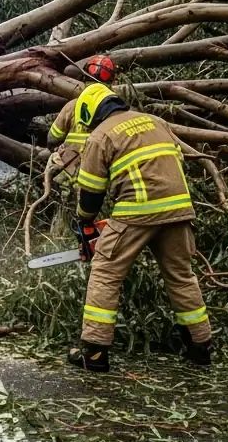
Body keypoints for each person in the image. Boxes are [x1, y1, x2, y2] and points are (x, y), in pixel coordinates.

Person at [69, 88, 210, 372]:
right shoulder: (156, 122)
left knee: (105, 274)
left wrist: (84, 221)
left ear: (89, 113)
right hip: (179, 209)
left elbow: (91, 191)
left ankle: (95, 352)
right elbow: (174, 163)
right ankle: (200, 345)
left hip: (136, 210)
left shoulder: (101, 135)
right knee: (181, 276)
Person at [45, 55, 118, 189]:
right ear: (113, 82)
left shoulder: (73, 106)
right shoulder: (119, 111)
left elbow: (52, 139)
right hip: (102, 182)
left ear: (84, 77)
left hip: (70, 180)